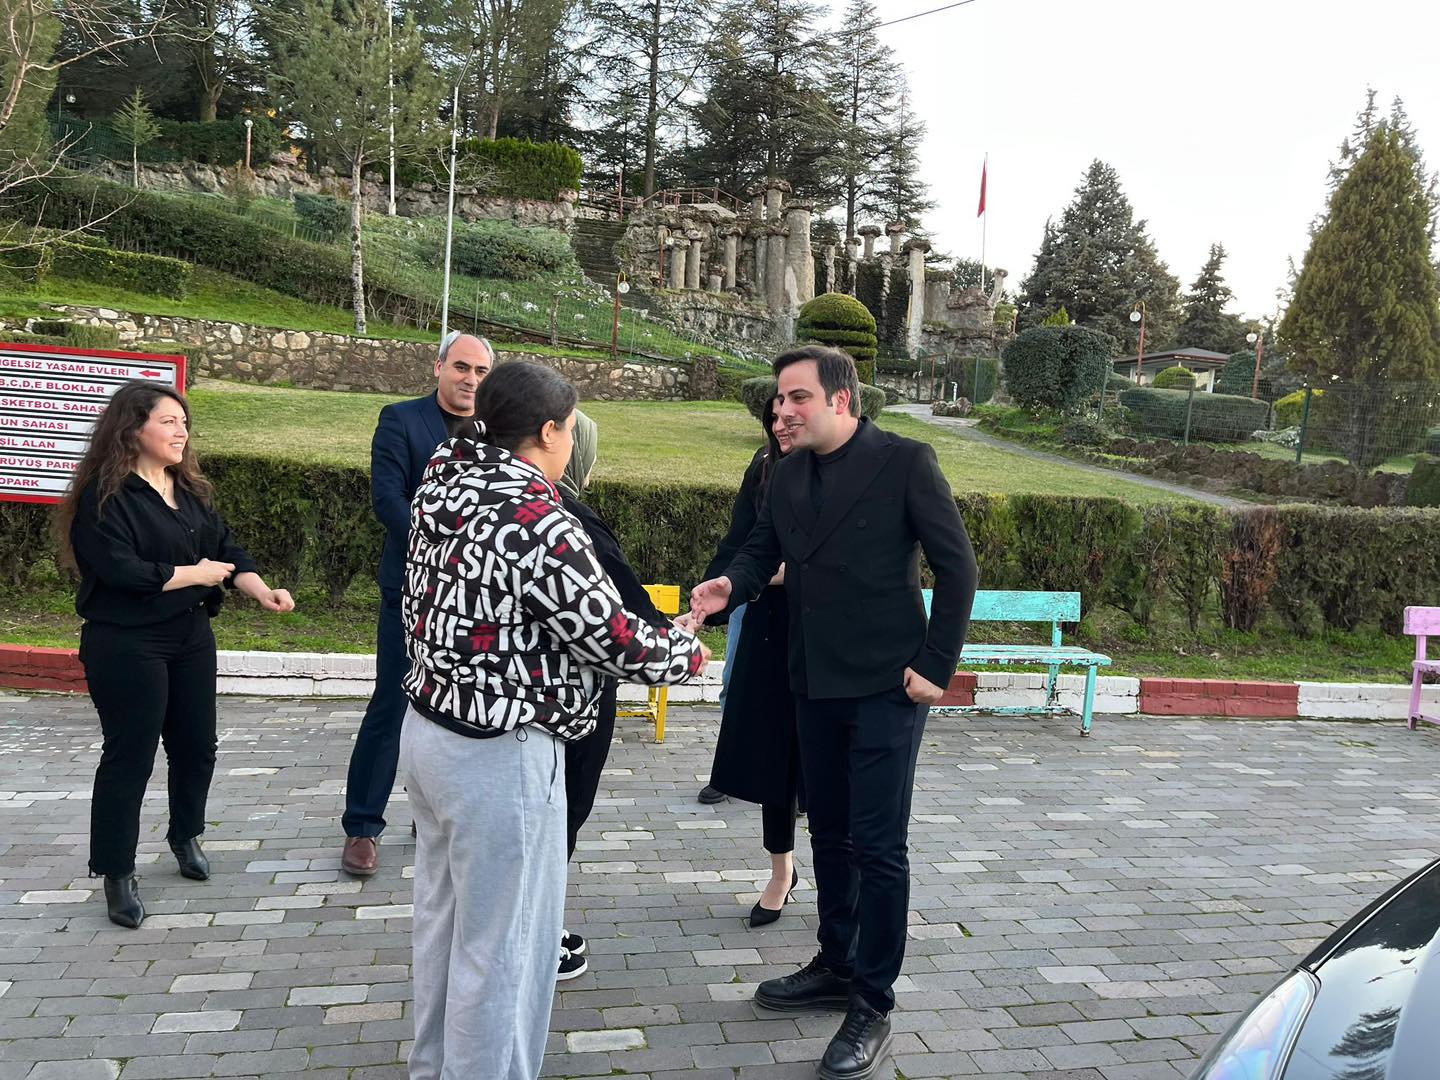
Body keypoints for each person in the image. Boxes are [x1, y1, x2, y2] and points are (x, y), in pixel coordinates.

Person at [399, 361, 710, 1080]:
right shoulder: (536, 516)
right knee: (504, 948)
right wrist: (686, 651)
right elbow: (611, 636)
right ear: (547, 432)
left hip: (429, 734)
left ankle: (435, 1069)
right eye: (569, 429)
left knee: (443, 927)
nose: (572, 442)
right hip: (499, 751)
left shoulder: (443, 479)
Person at [689, 345, 978, 1080]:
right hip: (812, 682)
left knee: (878, 847)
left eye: (797, 398)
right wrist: (729, 587)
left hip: (887, 687)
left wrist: (936, 665)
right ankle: (836, 964)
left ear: (840, 400)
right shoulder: (787, 474)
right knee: (831, 834)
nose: (781, 411)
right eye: (780, 399)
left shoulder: (905, 461)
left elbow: (957, 566)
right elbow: (761, 551)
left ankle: (872, 1003)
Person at [56, 381, 296, 930]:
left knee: (196, 746)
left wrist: (259, 589)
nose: (181, 431)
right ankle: (116, 872)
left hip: (190, 635)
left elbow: (227, 551)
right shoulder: (103, 497)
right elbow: (122, 571)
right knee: (130, 756)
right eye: (168, 421)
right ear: (132, 429)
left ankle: (185, 834)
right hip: (127, 641)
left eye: (184, 422)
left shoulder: (188, 491)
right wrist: (194, 574)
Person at [340, 331, 493, 877]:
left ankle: (433, 811)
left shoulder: (495, 429)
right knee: (392, 703)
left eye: (480, 371)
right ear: (438, 367)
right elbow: (388, 500)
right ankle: (362, 825)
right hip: (412, 588)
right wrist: (448, 550)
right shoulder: (401, 420)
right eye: (461, 367)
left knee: (456, 706)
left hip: (475, 596)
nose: (470, 379)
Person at [554, 409, 671, 980]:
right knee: (562, 812)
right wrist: (677, 644)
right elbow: (622, 606)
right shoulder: (564, 515)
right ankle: (539, 931)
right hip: (570, 699)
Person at [693, 398, 803, 926]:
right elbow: (739, 544)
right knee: (772, 758)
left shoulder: (855, 470)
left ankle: (841, 875)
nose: (780, 426)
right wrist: (712, 599)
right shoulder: (764, 466)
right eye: (773, 418)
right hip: (767, 627)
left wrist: (778, 575)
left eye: (791, 414)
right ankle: (781, 871)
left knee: (826, 764)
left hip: (829, 634)